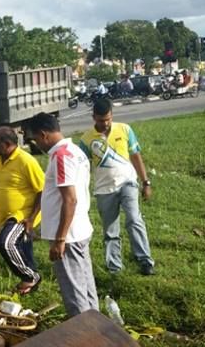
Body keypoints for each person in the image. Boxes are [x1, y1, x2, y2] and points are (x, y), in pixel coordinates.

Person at [23, 112, 99, 316]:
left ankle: (83, 336)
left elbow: (70, 199)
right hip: (78, 230)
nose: (36, 143)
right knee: (86, 285)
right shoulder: (74, 150)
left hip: (69, 235)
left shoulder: (61, 156)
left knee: (75, 293)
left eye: (35, 139)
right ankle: (95, 328)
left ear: (43, 134)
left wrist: (60, 239)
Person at [79, 98, 155, 276]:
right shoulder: (86, 139)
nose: (104, 123)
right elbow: (83, 167)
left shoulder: (125, 129)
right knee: (111, 230)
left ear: (112, 116)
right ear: (93, 118)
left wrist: (146, 182)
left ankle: (145, 260)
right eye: (100, 120)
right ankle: (115, 267)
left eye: (107, 119)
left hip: (128, 182)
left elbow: (136, 156)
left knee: (134, 219)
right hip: (104, 190)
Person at [0, 126, 45, 295]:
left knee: (6, 243)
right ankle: (31, 287)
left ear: (6, 144)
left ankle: (31, 277)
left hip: (22, 215)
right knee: (23, 249)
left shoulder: (26, 161)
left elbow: (42, 190)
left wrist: (31, 218)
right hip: (7, 217)